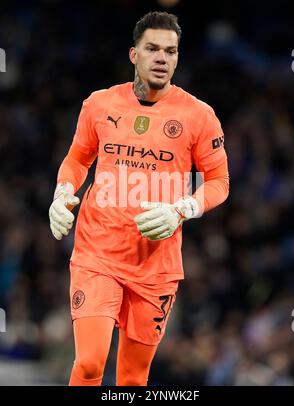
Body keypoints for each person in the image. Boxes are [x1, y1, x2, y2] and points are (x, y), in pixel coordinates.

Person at [48, 11, 229, 386]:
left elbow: (218, 182)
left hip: (155, 266)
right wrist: (62, 192)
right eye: (153, 49)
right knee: (90, 364)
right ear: (135, 54)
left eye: (171, 51)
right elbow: (78, 159)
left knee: (132, 378)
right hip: (98, 253)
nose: (162, 58)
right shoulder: (99, 104)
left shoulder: (199, 116)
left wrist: (183, 210)